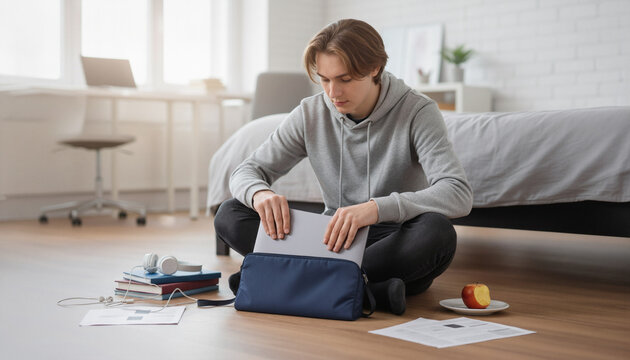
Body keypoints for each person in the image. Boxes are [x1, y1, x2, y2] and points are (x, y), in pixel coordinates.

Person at [214, 19, 473, 315]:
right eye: (324, 79)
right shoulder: (310, 113)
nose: (333, 92)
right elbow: (246, 171)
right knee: (230, 213)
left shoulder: (418, 111)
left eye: (345, 79)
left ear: (375, 67)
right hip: (327, 239)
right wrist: (260, 194)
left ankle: (283, 282)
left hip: (388, 241)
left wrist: (376, 208)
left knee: (437, 233)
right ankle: (368, 291)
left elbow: (457, 192)